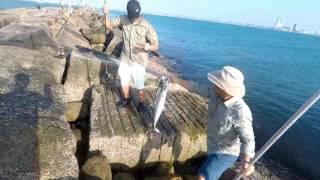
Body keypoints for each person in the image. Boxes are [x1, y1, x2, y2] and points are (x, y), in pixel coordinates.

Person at [172, 66, 255, 180]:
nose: (213, 83)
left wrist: (246, 161)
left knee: (202, 177)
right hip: (212, 144)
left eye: (217, 82)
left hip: (226, 151)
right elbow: (196, 87)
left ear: (224, 88)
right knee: (211, 170)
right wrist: (175, 79)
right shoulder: (216, 94)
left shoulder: (240, 112)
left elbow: (248, 140)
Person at [102, 0, 159, 112]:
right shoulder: (123, 19)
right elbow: (108, 25)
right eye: (132, 16)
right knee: (124, 79)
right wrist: (106, 14)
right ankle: (126, 99)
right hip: (125, 57)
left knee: (139, 84)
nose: (134, 19)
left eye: (136, 16)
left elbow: (156, 46)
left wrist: (149, 47)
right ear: (128, 13)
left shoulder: (146, 26)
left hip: (139, 61)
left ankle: (141, 103)